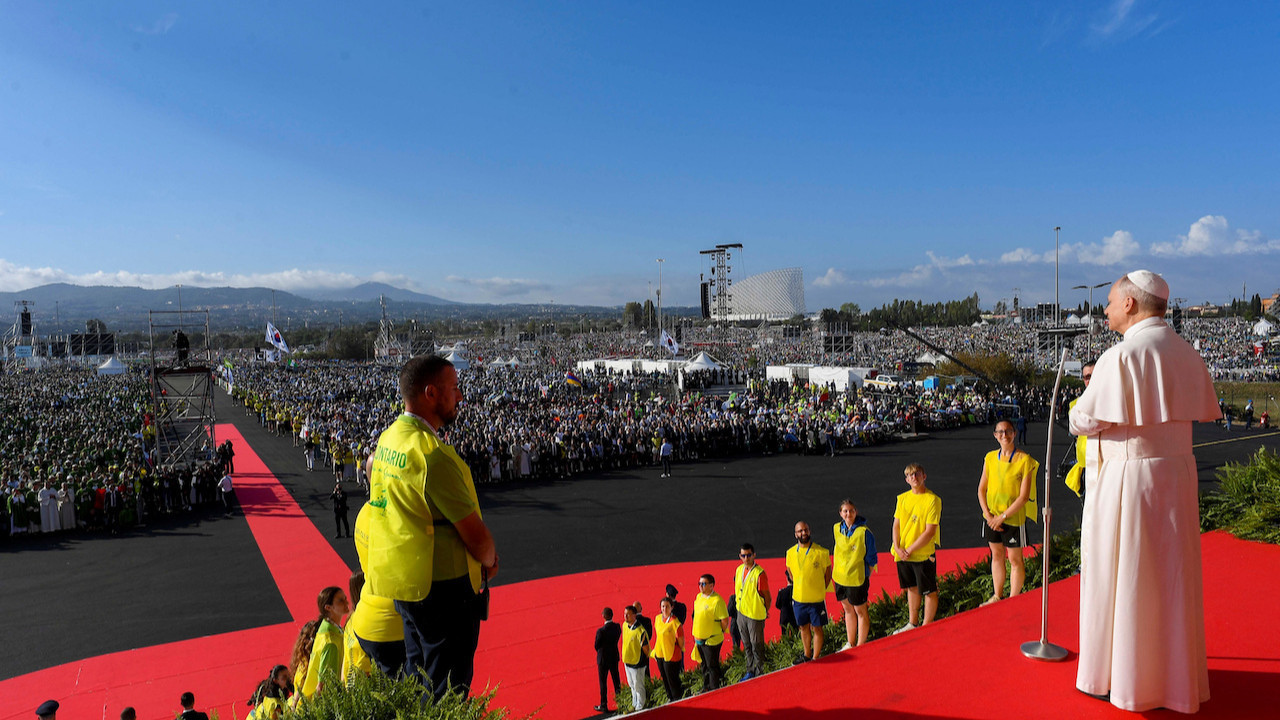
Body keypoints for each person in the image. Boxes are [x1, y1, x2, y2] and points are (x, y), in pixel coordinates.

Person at [1069, 270, 1220, 713]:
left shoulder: (1121, 356)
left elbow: (1084, 419)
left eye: (1110, 301)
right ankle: (1171, 681)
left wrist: (1079, 408)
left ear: (1130, 303)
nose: (1105, 309)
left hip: (1130, 481)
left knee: (1128, 577)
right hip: (1176, 477)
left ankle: (1122, 679)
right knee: (1170, 579)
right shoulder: (1186, 351)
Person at [367, 356, 498, 699]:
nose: (460, 396)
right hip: (445, 591)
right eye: (454, 388)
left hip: (406, 584)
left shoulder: (388, 440)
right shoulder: (433, 456)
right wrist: (490, 561)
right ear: (430, 393)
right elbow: (476, 537)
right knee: (448, 692)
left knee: (418, 681)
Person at [977, 421, 1038, 604]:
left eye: (1008, 431)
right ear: (995, 435)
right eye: (1001, 432)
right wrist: (988, 515)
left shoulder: (1024, 460)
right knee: (996, 555)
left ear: (1014, 433)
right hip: (991, 518)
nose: (1005, 435)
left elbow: (1023, 497)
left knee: (1015, 559)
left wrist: (1002, 517)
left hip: (1012, 519)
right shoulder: (989, 458)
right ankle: (997, 595)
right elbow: (981, 489)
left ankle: (1013, 599)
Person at [891, 463, 941, 633]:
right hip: (903, 553)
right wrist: (897, 547)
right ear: (906, 480)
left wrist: (909, 550)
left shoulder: (932, 500)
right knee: (911, 587)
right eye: (910, 475)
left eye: (917, 474)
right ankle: (913, 623)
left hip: (922, 554)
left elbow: (930, 531)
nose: (914, 477)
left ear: (924, 476)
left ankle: (927, 625)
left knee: (929, 590)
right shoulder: (902, 498)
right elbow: (896, 525)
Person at [833, 499, 877, 649]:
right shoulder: (836, 528)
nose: (848, 514)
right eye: (845, 511)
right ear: (840, 513)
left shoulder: (865, 532)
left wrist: (865, 575)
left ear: (856, 512)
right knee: (848, 609)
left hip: (857, 579)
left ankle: (860, 645)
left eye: (851, 510)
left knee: (860, 611)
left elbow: (871, 558)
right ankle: (850, 643)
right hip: (840, 578)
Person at [785, 521, 831, 663]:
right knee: (803, 627)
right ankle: (806, 655)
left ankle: (816, 657)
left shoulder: (821, 552)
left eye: (805, 530)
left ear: (809, 531)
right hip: (799, 599)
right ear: (795, 534)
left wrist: (818, 588)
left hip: (816, 599)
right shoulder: (790, 553)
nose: (803, 533)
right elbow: (790, 573)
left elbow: (828, 575)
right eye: (800, 531)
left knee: (817, 628)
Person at [300, 586, 350, 699]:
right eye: (340, 600)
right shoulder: (331, 641)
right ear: (328, 607)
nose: (346, 602)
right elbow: (322, 686)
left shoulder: (328, 630)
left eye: (345, 598)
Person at [733, 542, 770, 679]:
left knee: (756, 644)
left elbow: (767, 596)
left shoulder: (759, 573)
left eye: (748, 555)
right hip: (741, 613)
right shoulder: (738, 570)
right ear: (740, 556)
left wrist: (764, 610)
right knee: (747, 644)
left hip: (755, 614)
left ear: (754, 555)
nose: (746, 558)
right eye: (743, 556)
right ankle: (750, 670)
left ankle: (760, 671)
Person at [691, 573, 730, 691]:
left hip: (712, 639)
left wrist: (719, 631)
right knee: (704, 665)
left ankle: (714, 688)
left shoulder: (717, 601)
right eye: (699, 583)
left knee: (712, 665)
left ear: (711, 585)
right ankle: (706, 686)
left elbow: (724, 620)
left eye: (703, 584)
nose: (700, 586)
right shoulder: (699, 597)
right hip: (699, 639)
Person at [1064, 362, 1096, 498]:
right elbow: (1073, 432)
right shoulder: (1075, 404)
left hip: (1107, 465)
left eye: (1093, 375)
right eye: (1087, 377)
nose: (1090, 380)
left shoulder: (1114, 400)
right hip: (1086, 465)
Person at [651, 597, 685, 701]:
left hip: (672, 655)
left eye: (667, 606)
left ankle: (677, 699)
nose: (664, 609)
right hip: (660, 654)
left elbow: (681, 642)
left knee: (672, 680)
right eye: (663, 606)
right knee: (665, 680)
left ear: (671, 607)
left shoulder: (675, 623)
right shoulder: (657, 619)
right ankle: (670, 699)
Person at [621, 605, 651, 710]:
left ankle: (640, 705)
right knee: (632, 684)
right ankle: (634, 702)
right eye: (624, 614)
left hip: (637, 663)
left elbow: (646, 649)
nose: (625, 616)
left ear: (634, 615)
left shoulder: (640, 631)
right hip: (627, 661)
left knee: (639, 685)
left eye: (628, 614)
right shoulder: (624, 625)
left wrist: (644, 660)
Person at [594, 607, 622, 713]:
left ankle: (604, 704)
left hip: (603, 660)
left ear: (603, 616)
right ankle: (621, 701)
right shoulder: (617, 627)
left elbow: (596, 645)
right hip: (614, 657)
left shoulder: (601, 631)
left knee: (603, 683)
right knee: (616, 681)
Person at [774, 571, 798, 638]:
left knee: (785, 635)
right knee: (796, 635)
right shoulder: (797, 591)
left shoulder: (782, 592)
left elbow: (777, 605)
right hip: (795, 616)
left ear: (787, 579)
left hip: (784, 617)